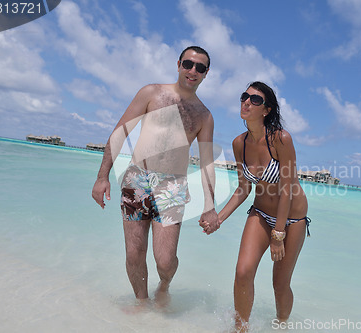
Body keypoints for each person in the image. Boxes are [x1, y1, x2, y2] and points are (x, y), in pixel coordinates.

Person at [92, 46, 220, 307]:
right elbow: (121, 132)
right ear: (178, 64)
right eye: (188, 64)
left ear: (206, 74)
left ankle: (165, 284)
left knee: (165, 261)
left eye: (200, 67)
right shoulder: (152, 92)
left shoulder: (204, 115)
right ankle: (141, 304)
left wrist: (210, 206)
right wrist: (102, 176)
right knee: (134, 253)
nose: (193, 70)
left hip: (172, 187)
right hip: (137, 179)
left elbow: (207, 163)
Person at [202, 81, 310, 331]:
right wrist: (219, 218)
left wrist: (278, 234)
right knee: (243, 272)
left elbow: (288, 189)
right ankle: (240, 328)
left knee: (280, 284)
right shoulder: (239, 143)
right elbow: (243, 189)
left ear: (267, 110)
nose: (247, 102)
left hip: (291, 220)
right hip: (260, 212)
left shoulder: (281, 139)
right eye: (244, 97)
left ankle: (282, 325)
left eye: (256, 100)